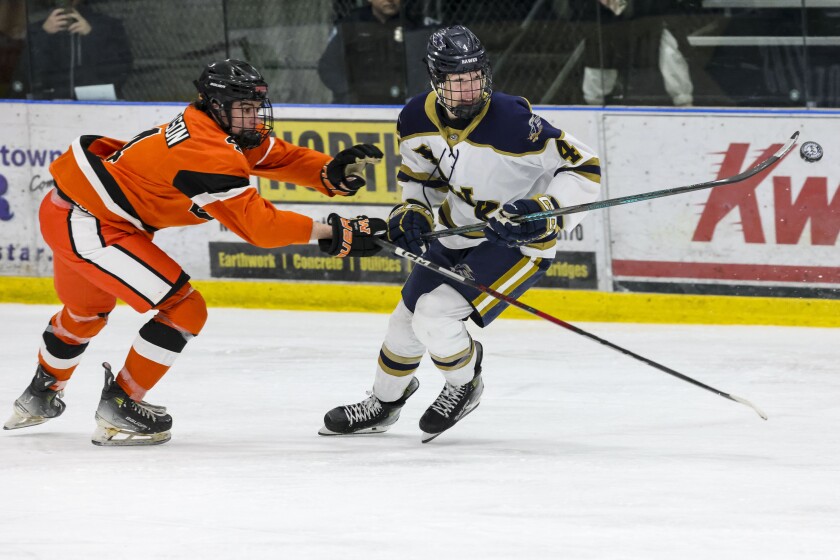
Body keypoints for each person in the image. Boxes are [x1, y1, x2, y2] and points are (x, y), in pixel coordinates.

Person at [3, 58, 386, 446]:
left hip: (70, 213)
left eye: (256, 108)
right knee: (185, 308)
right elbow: (260, 227)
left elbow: (275, 155)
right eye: (246, 109)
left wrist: (327, 173)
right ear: (217, 104)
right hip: (91, 226)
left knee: (85, 312)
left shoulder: (214, 126)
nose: (254, 118)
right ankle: (121, 402)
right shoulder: (205, 150)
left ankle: (39, 395)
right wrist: (334, 233)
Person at [318, 25, 601, 442]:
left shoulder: (514, 122)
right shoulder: (416, 117)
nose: (468, 90)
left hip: (517, 245)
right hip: (454, 233)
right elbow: (420, 179)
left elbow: (584, 166)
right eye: (456, 81)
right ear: (436, 80)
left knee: (436, 314)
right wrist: (412, 211)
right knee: (404, 323)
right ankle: (384, 404)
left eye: (474, 78)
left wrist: (544, 210)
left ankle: (463, 385)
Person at [317, 0, 437, 104]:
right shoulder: (350, 25)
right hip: (359, 105)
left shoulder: (416, 26)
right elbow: (328, 67)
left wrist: (417, 96)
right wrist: (348, 92)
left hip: (404, 104)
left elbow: (428, 69)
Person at [20, 0, 133, 99]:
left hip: (97, 104)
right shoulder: (38, 29)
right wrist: (43, 34)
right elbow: (25, 77)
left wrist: (91, 35)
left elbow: (120, 70)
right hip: (50, 106)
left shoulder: (108, 26)